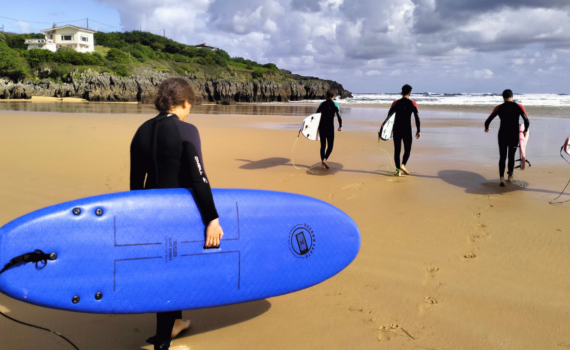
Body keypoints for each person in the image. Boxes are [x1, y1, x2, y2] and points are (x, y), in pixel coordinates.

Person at [130, 78, 224, 350]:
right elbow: (199, 179)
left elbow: (136, 183)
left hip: (149, 211)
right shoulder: (187, 131)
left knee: (163, 265)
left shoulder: (141, 131)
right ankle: (163, 340)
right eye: (189, 107)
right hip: (181, 212)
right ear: (185, 103)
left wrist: (138, 221)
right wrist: (212, 219)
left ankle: (174, 323)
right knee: (176, 269)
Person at [485, 89, 530, 187]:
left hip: (502, 134)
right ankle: (510, 176)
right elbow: (527, 121)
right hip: (514, 135)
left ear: (503, 97)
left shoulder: (499, 107)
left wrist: (487, 128)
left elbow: (488, 120)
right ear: (512, 96)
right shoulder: (519, 106)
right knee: (511, 156)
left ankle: (501, 178)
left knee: (502, 156)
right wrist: (525, 130)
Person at [382, 84, 420, 176]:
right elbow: (417, 118)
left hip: (397, 129)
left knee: (397, 150)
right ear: (410, 93)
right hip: (407, 129)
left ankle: (398, 170)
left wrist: (383, 129)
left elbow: (389, 117)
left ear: (401, 92)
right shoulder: (413, 103)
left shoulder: (395, 103)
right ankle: (403, 165)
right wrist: (418, 130)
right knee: (407, 150)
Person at [316, 90, 342, 169]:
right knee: (330, 146)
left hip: (322, 126)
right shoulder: (335, 104)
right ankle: (325, 159)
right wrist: (340, 125)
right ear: (334, 96)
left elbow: (316, 114)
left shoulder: (322, 104)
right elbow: (339, 116)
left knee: (322, 146)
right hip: (330, 127)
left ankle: (323, 164)